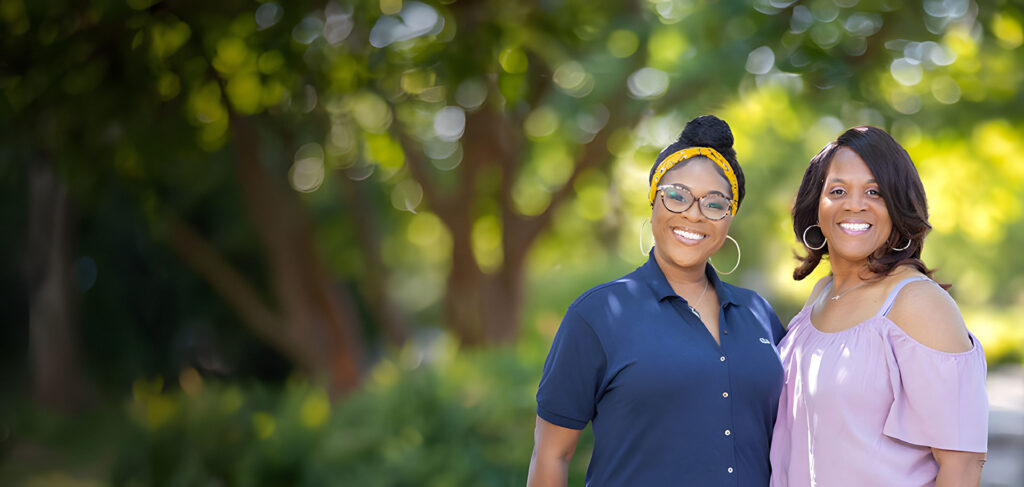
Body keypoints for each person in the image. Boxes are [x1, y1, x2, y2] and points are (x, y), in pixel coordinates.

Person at [527, 115, 787, 486]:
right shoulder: (597, 315)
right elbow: (552, 454)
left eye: (714, 204)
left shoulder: (759, 314)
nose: (692, 215)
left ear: (729, 217)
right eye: (677, 196)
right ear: (653, 201)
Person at [769, 126, 988, 486]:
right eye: (837, 190)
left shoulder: (917, 303)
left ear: (898, 206)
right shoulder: (819, 296)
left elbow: (962, 465)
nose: (855, 204)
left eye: (875, 192)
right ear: (816, 208)